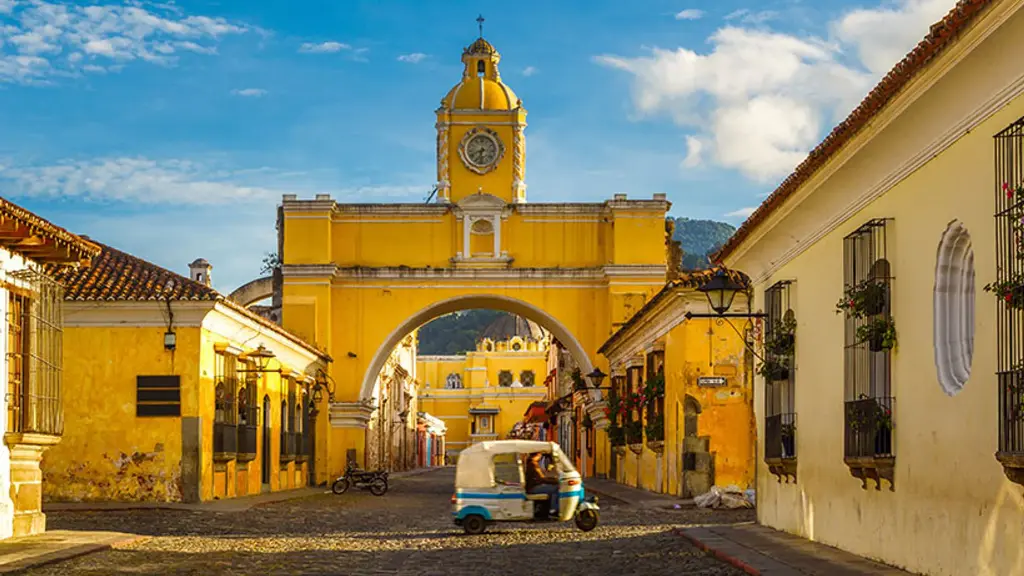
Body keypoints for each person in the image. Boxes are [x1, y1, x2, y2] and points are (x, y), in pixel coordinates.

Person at [524, 452, 559, 518]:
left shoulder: (531, 463)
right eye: (539, 455)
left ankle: (550, 508)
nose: (540, 457)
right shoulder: (533, 464)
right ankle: (553, 509)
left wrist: (551, 480)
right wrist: (555, 481)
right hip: (533, 488)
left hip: (532, 486)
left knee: (552, 488)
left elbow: (541, 478)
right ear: (537, 455)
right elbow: (541, 479)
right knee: (556, 488)